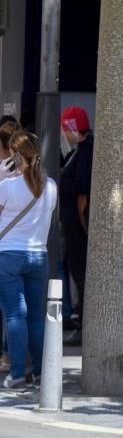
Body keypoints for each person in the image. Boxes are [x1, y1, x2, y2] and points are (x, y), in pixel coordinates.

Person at [0, 131, 57, 389]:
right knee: (35, 315)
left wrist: (1, 176)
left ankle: (18, 373)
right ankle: (40, 372)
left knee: (14, 315)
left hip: (8, 255)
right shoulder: (52, 186)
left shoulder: (7, 186)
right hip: (39, 256)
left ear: (15, 156)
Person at [60, 106, 94, 345]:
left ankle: (84, 325)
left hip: (79, 225)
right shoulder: (78, 152)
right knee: (76, 272)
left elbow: (83, 184)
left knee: (81, 275)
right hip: (74, 223)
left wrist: (63, 182)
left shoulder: (85, 152)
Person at [0, 117, 21, 373]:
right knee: (15, 307)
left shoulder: (6, 170)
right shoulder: (29, 172)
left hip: (7, 244)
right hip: (26, 245)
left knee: (9, 308)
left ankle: (8, 355)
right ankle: (13, 356)